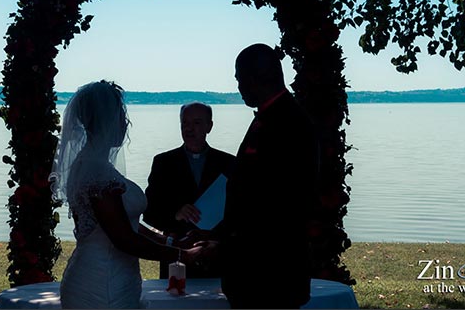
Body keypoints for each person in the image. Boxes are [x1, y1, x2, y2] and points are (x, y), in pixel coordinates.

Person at [49, 80, 202, 309]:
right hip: (102, 284)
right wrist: (182, 255)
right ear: (105, 121)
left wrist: (169, 240)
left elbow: (123, 221)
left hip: (110, 277)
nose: (125, 123)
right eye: (121, 116)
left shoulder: (92, 164)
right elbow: (124, 239)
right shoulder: (96, 173)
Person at [199, 43, 320, 308]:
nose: (239, 87)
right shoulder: (272, 116)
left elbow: (277, 205)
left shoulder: (289, 123)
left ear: (255, 77)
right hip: (258, 274)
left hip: (269, 275)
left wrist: (226, 248)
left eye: (239, 79)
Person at [143, 102, 235, 278]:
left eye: (197, 123)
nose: (189, 129)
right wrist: (175, 214)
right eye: (185, 123)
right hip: (177, 257)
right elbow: (149, 213)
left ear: (209, 126)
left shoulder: (229, 163)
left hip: (216, 256)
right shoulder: (163, 163)